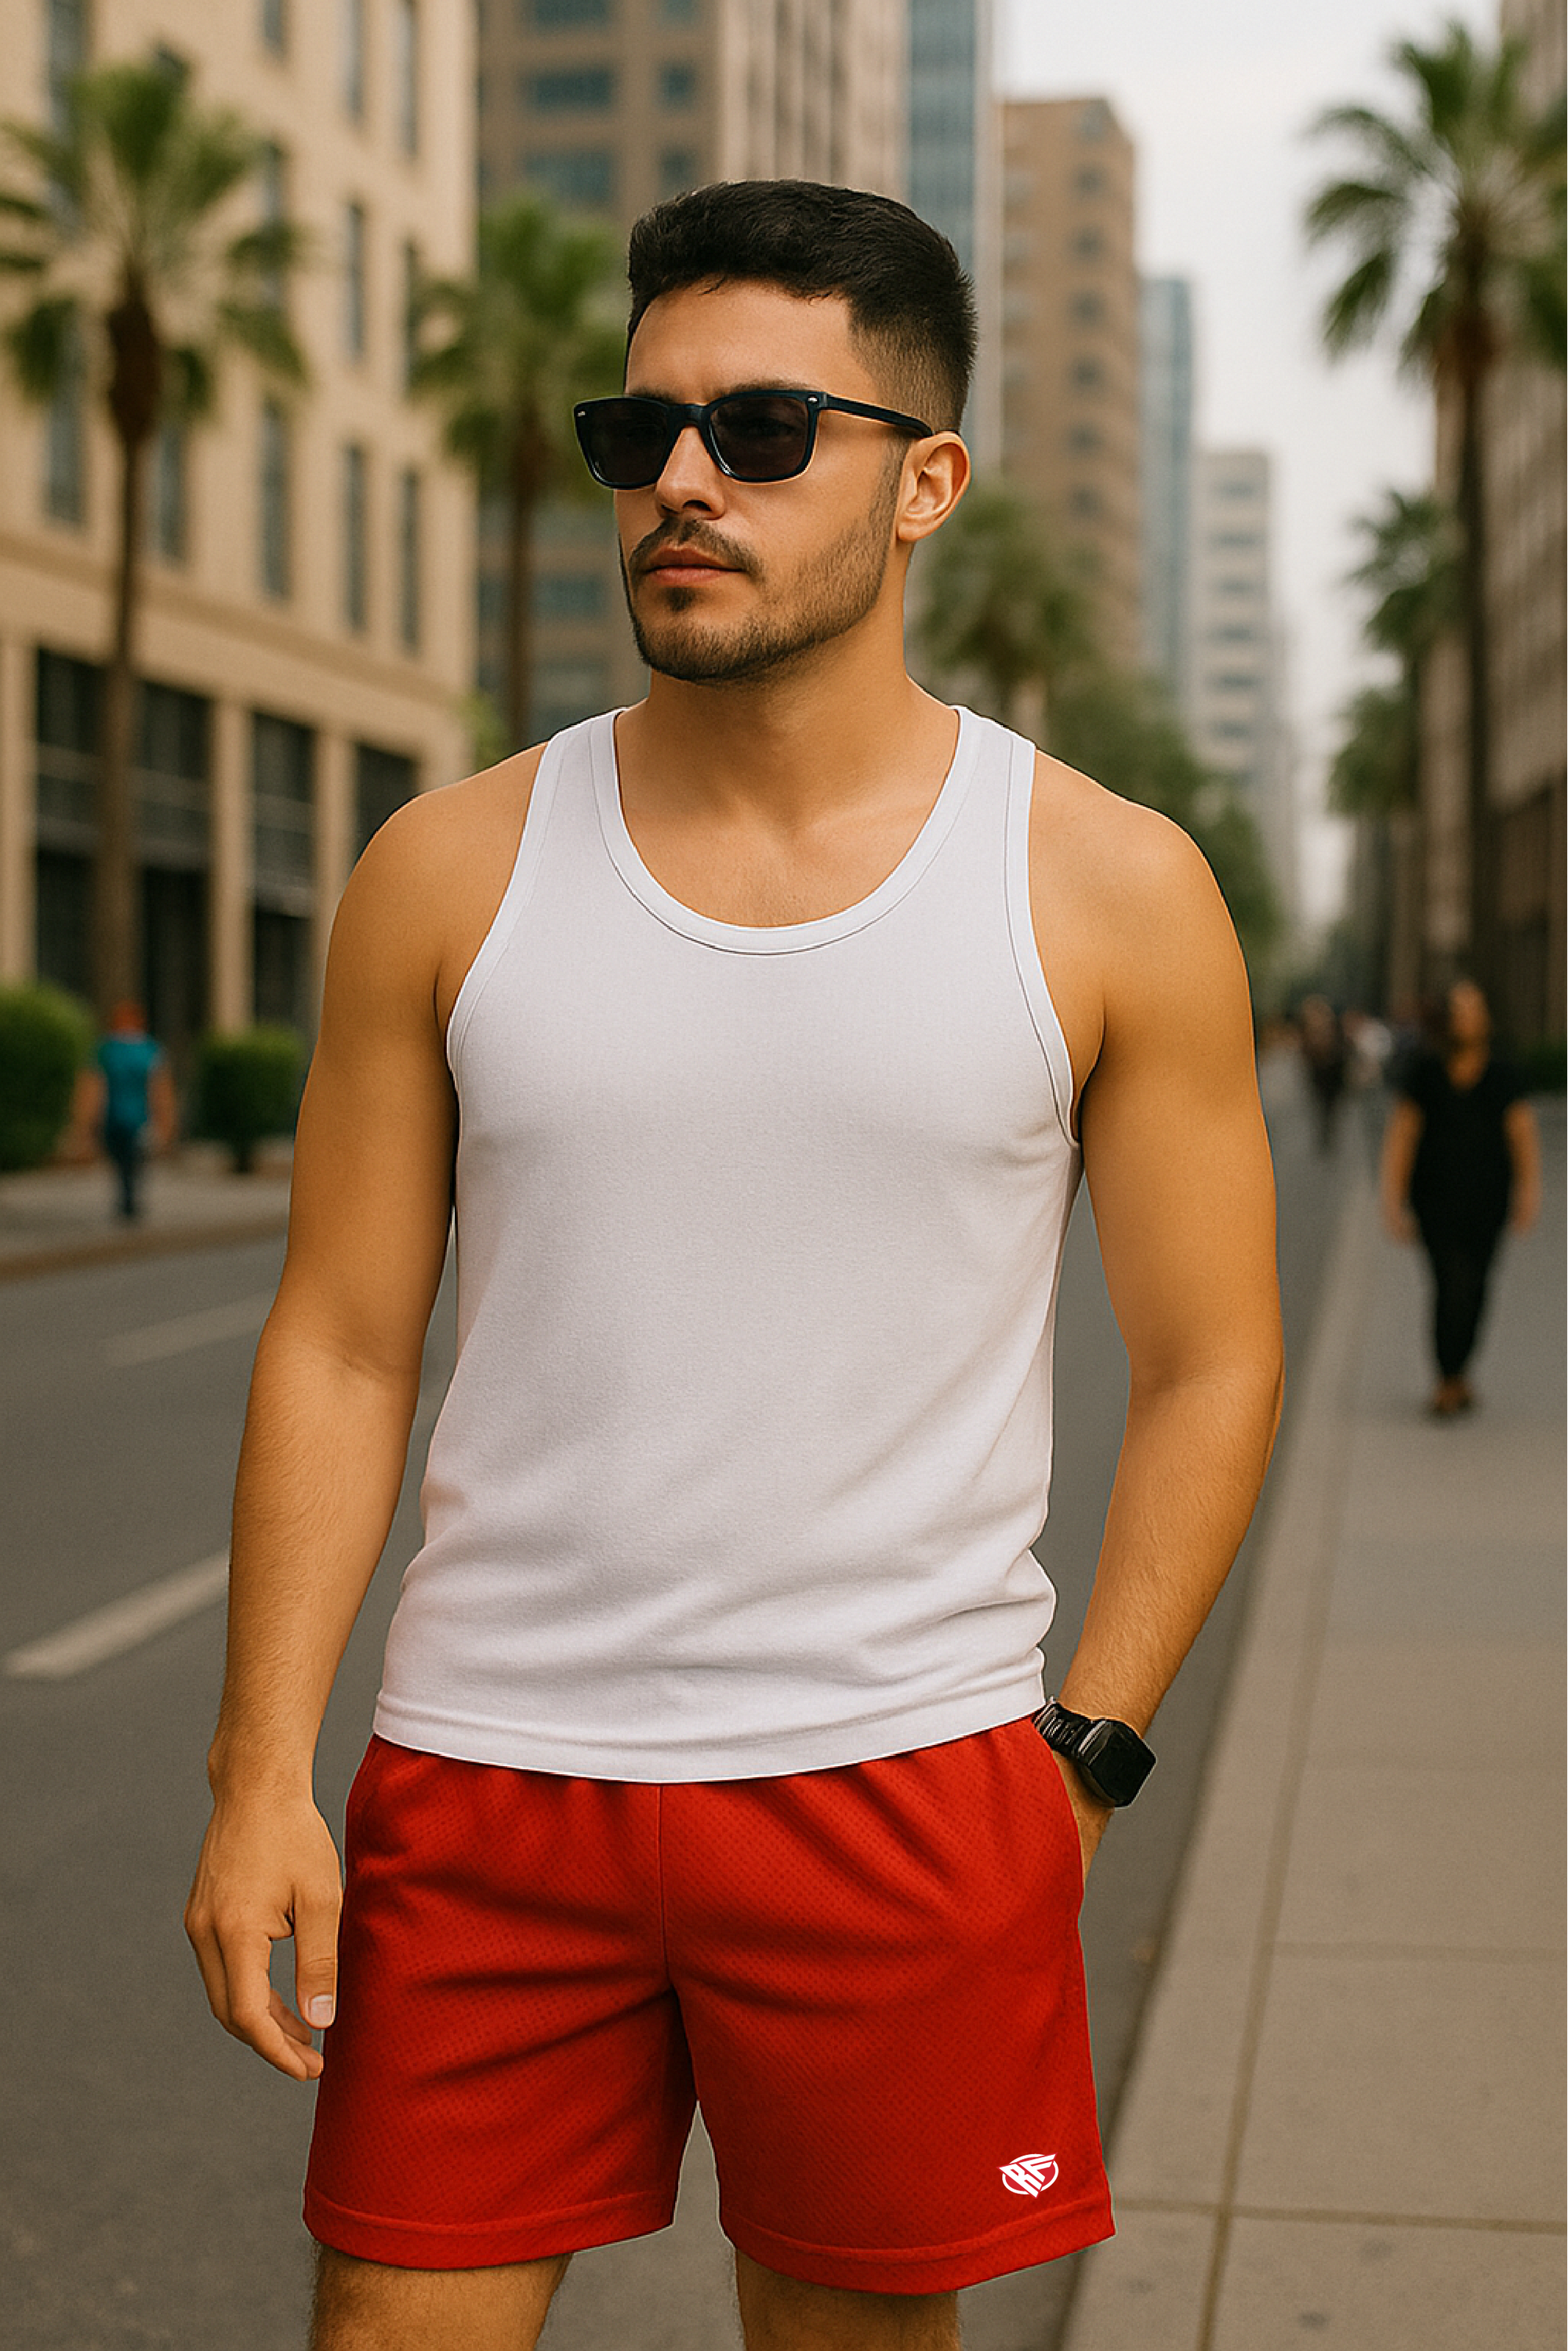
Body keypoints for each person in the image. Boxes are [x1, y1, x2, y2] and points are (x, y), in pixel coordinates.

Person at [185, 182, 1283, 2351]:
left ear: (925, 483)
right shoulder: (449, 865)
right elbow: (336, 1338)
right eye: (644, 431)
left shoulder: (1108, 886)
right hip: (490, 1777)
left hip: (907, 1777)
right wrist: (255, 1770)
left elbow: (1213, 1358)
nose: (681, 480)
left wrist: (1090, 1757)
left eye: (765, 427)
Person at [1380, 978, 1541, 1416]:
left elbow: (1522, 1136)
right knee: (1449, 1284)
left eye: (1474, 1011)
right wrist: (1391, 1201)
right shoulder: (1426, 1073)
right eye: (1459, 1011)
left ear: (1485, 1020)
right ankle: (1447, 1379)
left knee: (1478, 1287)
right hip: (1434, 1202)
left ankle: (1462, 1373)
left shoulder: (1503, 1074)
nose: (1466, 1020)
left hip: (1488, 1202)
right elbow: (1403, 1136)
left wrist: (1528, 1192)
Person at [93, 1000, 173, 1220]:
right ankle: (129, 1199)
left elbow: (158, 1087)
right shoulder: (146, 1050)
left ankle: (128, 1199)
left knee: (126, 1161)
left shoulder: (108, 1050)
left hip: (123, 1116)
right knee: (130, 1160)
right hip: (131, 1117)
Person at [1297, 993, 1349, 1154]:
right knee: (1323, 1105)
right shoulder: (1310, 1032)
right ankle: (1325, 1132)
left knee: (1329, 1106)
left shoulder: (1332, 1031)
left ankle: (1327, 1132)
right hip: (1320, 1072)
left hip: (1331, 1073)